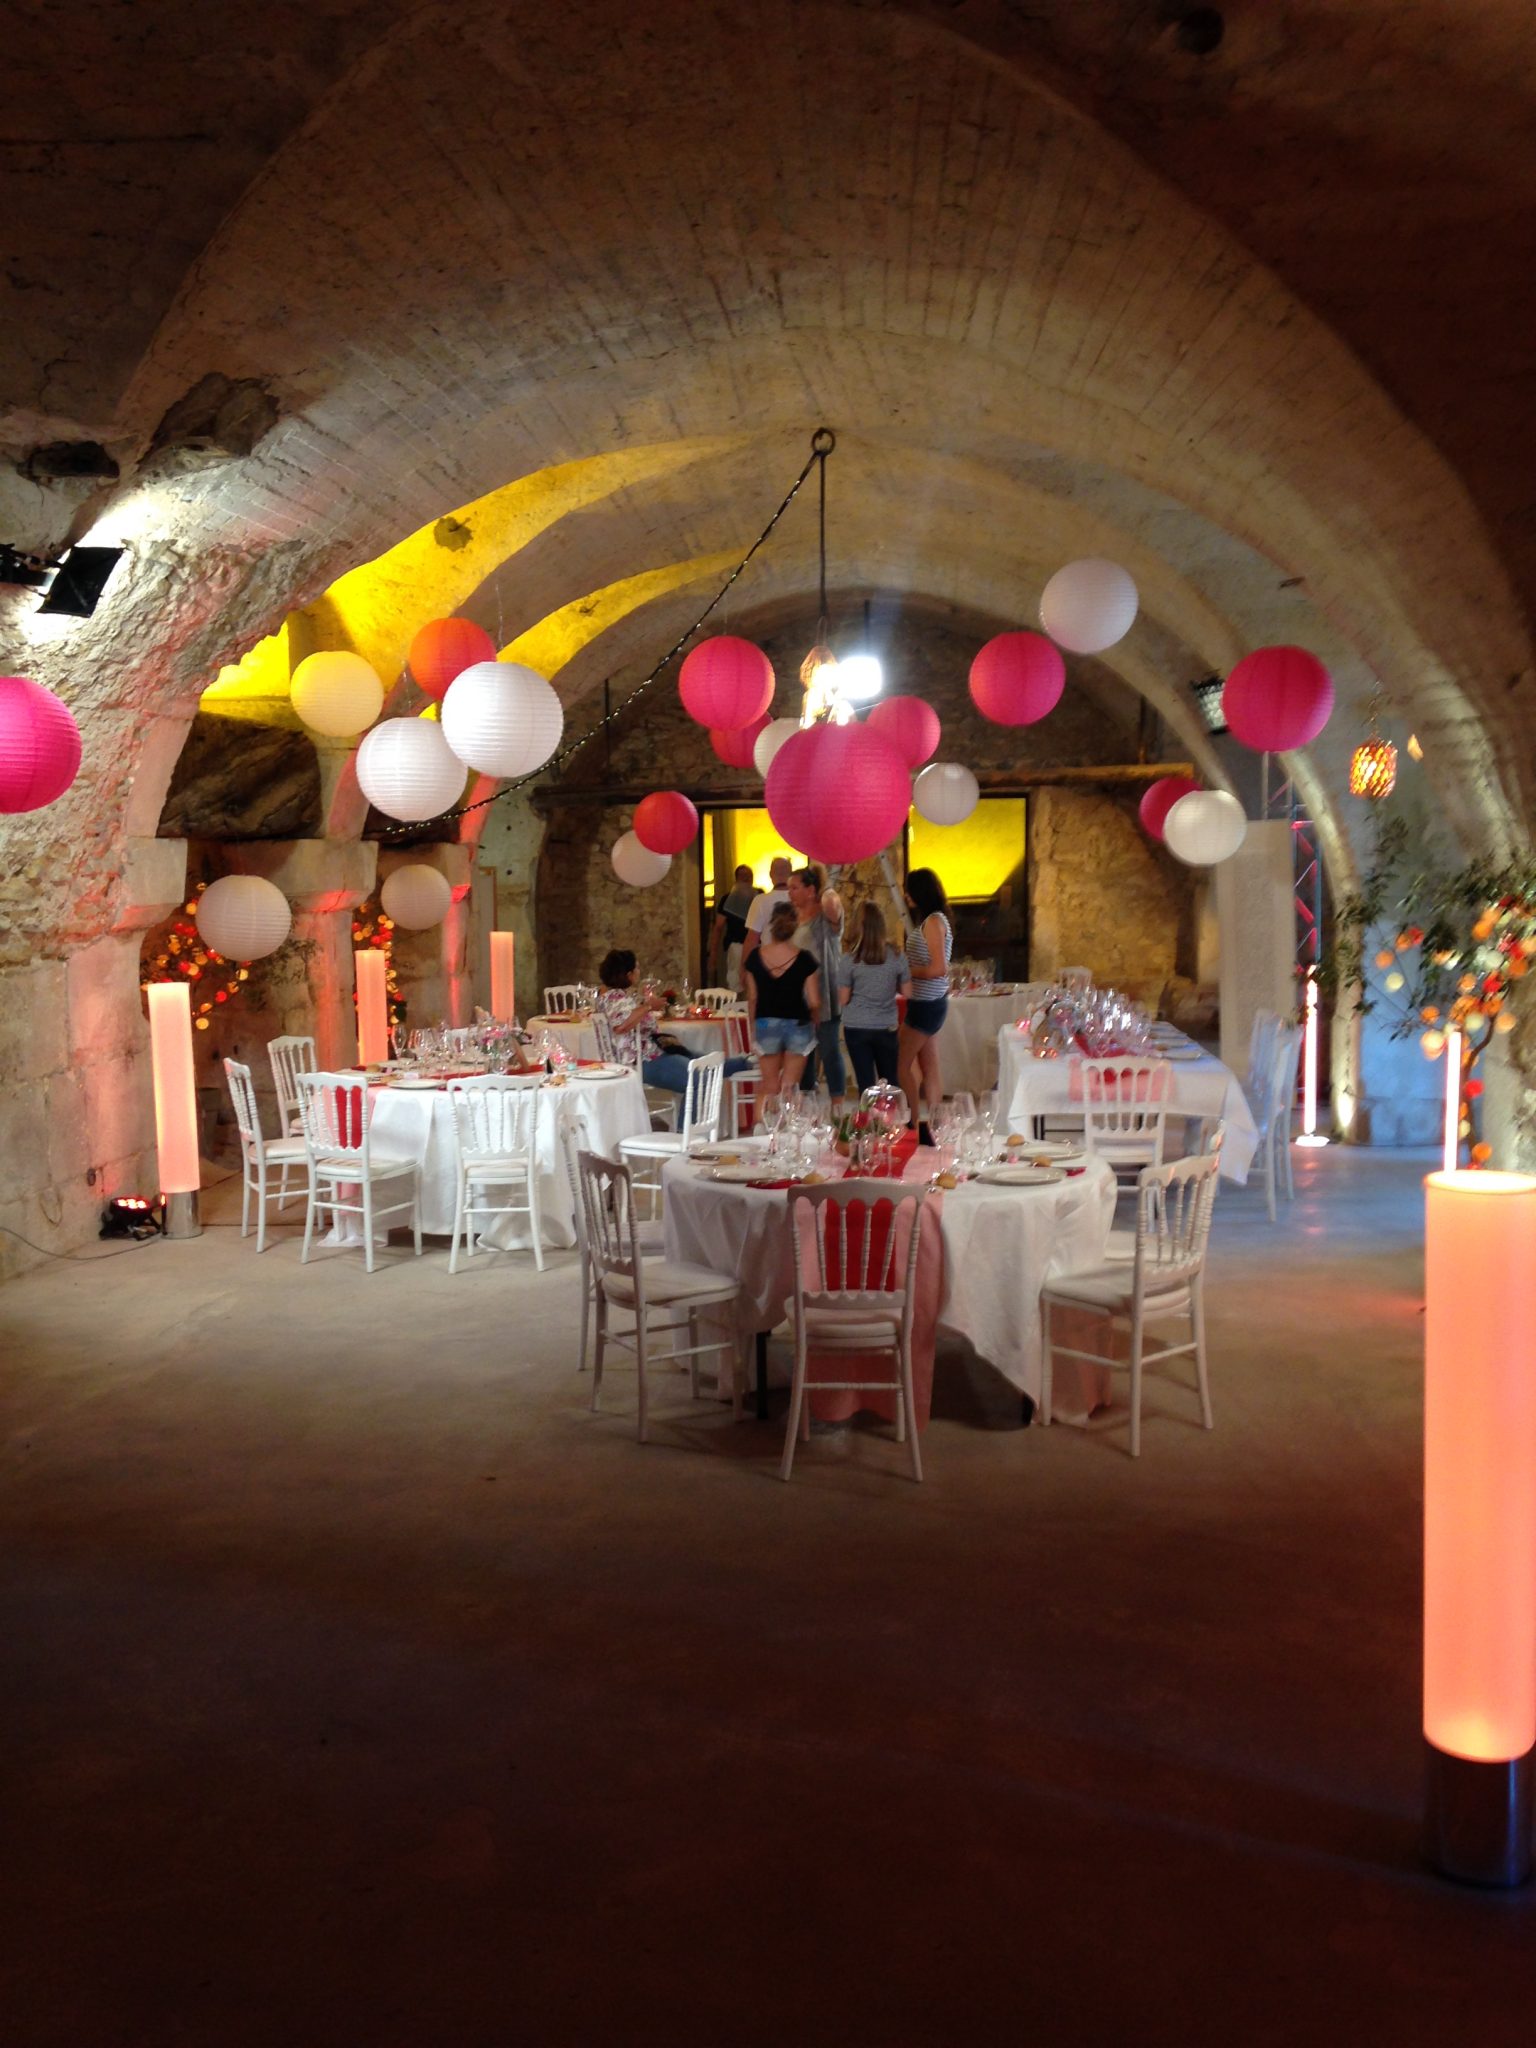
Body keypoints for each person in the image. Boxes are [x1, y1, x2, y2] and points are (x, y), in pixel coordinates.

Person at [596, 948, 751, 1096]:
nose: (639, 972)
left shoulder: (616, 997)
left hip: (652, 1053)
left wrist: (646, 1006)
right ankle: (685, 1125)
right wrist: (649, 1006)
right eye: (637, 968)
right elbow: (621, 1026)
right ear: (629, 974)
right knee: (699, 1079)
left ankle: (748, 1062)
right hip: (641, 1061)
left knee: (707, 1062)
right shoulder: (615, 998)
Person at [742, 904, 820, 1099]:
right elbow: (814, 1001)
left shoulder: (754, 957)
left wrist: (753, 1027)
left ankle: (762, 1126)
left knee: (768, 1086)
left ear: (771, 925)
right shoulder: (805, 959)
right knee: (790, 1086)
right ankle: (788, 1126)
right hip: (798, 1023)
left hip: (765, 1022)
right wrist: (816, 1021)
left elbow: (752, 998)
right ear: (794, 927)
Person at [898, 867, 952, 1141]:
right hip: (928, 1000)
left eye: (909, 890)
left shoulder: (932, 922)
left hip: (927, 1002)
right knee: (929, 1065)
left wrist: (906, 972)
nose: (905, 896)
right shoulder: (933, 920)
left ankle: (915, 1121)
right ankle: (935, 1123)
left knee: (901, 1062)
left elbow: (938, 968)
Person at [837, 900, 910, 1096]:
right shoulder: (896, 956)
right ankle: (893, 1123)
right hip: (886, 1025)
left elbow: (843, 999)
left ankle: (869, 1124)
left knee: (865, 1084)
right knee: (891, 1082)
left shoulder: (848, 959)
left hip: (856, 1025)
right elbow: (908, 992)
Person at [786, 863, 845, 1097]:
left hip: (824, 994)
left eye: (795, 887)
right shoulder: (792, 919)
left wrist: (826, 884)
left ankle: (837, 1105)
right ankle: (807, 1101)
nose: (789, 892)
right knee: (803, 1053)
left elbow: (831, 902)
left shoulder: (824, 918)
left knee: (829, 1050)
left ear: (810, 891)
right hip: (798, 996)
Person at [707, 863, 757, 989]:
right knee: (736, 983)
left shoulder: (759, 896)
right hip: (736, 946)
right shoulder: (728, 898)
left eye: (748, 876)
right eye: (743, 876)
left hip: (757, 946)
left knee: (756, 984)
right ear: (736, 879)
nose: (746, 879)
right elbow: (718, 927)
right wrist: (713, 954)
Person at [741, 855, 792, 968]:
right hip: (796, 963)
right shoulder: (801, 898)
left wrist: (744, 968)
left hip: (769, 964)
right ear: (791, 874)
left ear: (770, 875)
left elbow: (752, 939)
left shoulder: (760, 901)